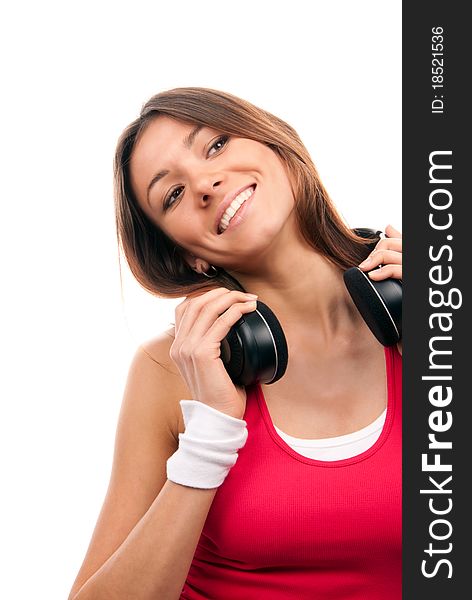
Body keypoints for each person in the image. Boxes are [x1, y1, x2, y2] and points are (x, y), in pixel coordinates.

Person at [68, 87, 403, 600]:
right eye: (172, 195)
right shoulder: (171, 370)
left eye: (216, 145)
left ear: (276, 146)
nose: (204, 183)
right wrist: (211, 436)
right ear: (187, 257)